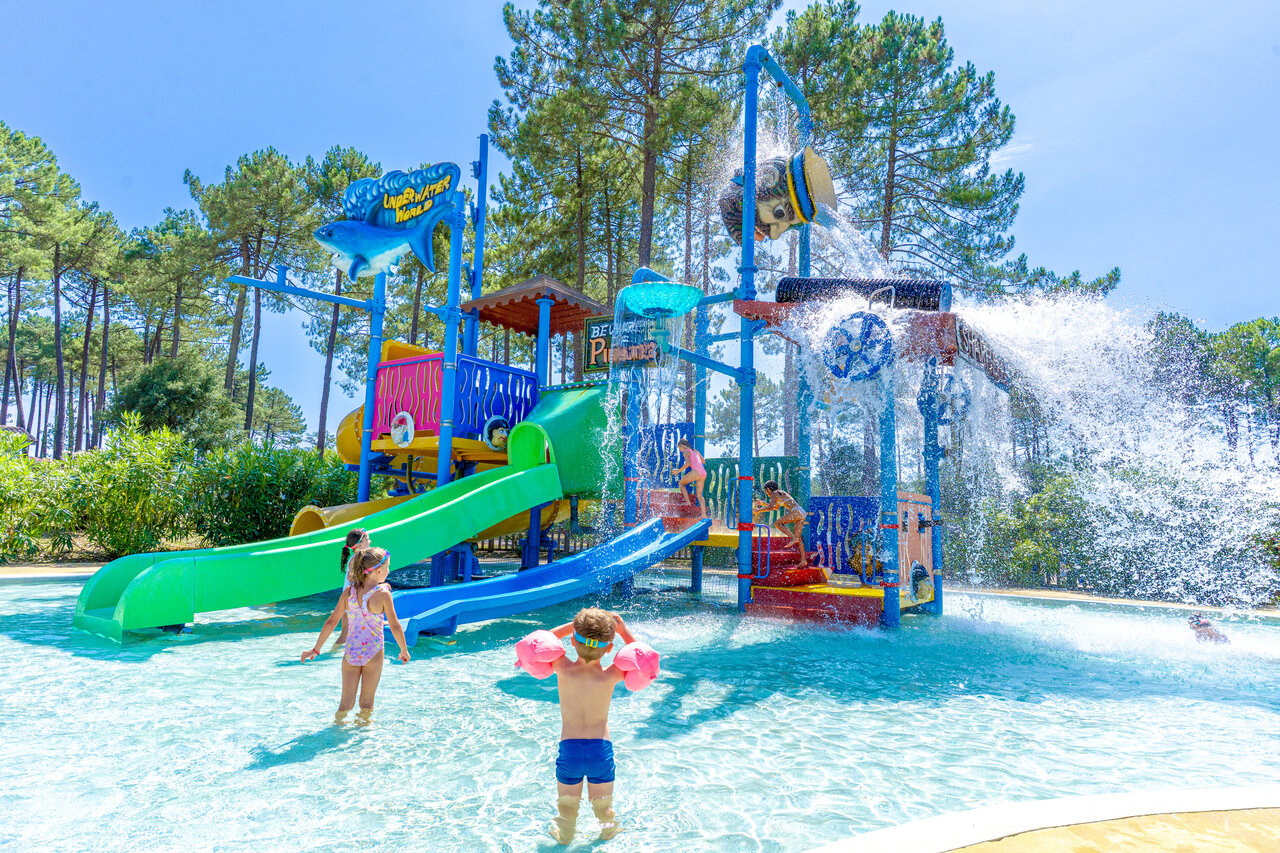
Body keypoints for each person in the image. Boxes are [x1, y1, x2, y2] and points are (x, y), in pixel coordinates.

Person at [542, 608, 637, 844]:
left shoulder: (561, 666)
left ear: (572, 641)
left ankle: (565, 836)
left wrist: (571, 627)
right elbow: (641, 656)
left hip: (570, 751)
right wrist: (624, 631)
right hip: (600, 752)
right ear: (609, 647)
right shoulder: (612, 674)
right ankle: (607, 831)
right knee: (603, 805)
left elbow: (544, 639)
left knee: (567, 804)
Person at [301, 547, 410, 723]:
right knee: (366, 704)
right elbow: (396, 626)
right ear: (378, 571)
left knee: (345, 704)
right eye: (388, 567)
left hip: (351, 653)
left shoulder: (348, 592)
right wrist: (403, 650)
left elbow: (331, 622)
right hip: (373, 653)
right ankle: (362, 743)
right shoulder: (383, 596)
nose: (389, 571)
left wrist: (316, 649)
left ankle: (338, 729)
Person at [334, 528, 370, 646]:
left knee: (345, 635)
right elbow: (351, 577)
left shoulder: (356, 558)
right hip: (351, 602)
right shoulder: (356, 559)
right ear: (359, 545)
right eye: (367, 539)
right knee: (345, 635)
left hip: (348, 601)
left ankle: (332, 652)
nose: (370, 541)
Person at [753, 480, 807, 550]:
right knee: (797, 538)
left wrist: (759, 510)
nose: (766, 492)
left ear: (769, 489)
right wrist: (763, 503)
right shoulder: (779, 493)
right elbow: (775, 507)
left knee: (777, 523)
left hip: (796, 512)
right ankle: (803, 559)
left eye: (766, 490)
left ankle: (792, 537)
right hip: (801, 512)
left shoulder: (774, 494)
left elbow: (770, 507)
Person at [671, 437, 708, 519]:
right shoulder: (696, 451)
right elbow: (703, 461)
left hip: (696, 472)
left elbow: (688, 463)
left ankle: (688, 502)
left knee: (681, 483)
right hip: (703, 473)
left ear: (682, 445)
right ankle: (704, 515)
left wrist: (678, 471)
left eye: (679, 447)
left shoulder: (685, 451)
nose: (680, 449)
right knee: (699, 495)